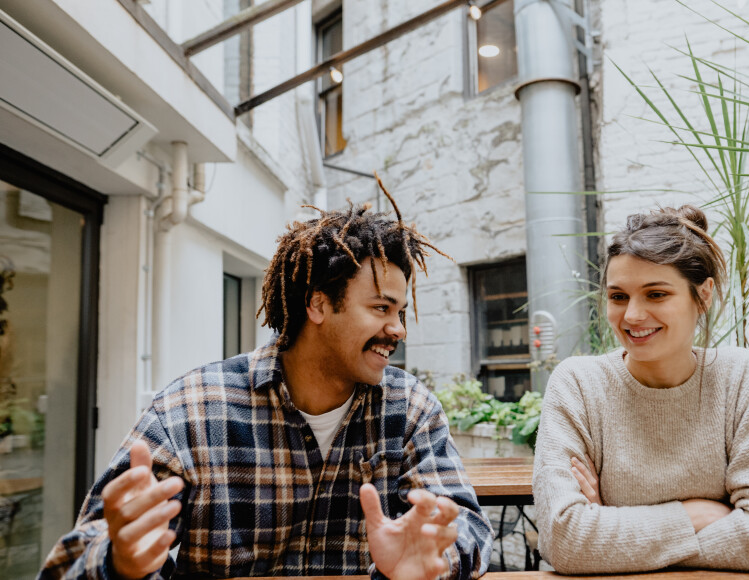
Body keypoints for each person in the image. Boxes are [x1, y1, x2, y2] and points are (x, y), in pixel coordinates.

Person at [40, 190, 493, 580]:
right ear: (318, 304)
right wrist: (119, 559)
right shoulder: (193, 411)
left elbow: (467, 526)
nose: (398, 330)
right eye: (380, 308)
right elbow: (73, 558)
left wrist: (436, 557)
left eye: (399, 313)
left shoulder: (410, 409)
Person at [533, 205, 749, 573]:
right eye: (618, 297)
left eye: (656, 294)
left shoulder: (740, 377)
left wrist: (612, 536)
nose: (632, 315)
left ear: (704, 295)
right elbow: (564, 540)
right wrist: (693, 516)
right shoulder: (579, 385)